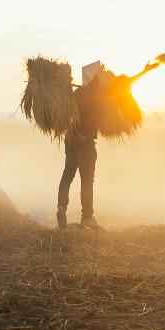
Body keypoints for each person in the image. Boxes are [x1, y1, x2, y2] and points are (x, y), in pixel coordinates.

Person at [57, 61, 108, 229]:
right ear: (94, 77)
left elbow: (70, 115)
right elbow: (93, 119)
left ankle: (61, 208)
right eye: (100, 74)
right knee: (87, 180)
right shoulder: (97, 95)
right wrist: (85, 135)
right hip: (85, 143)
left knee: (67, 175)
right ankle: (87, 217)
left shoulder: (76, 93)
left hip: (70, 140)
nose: (102, 76)